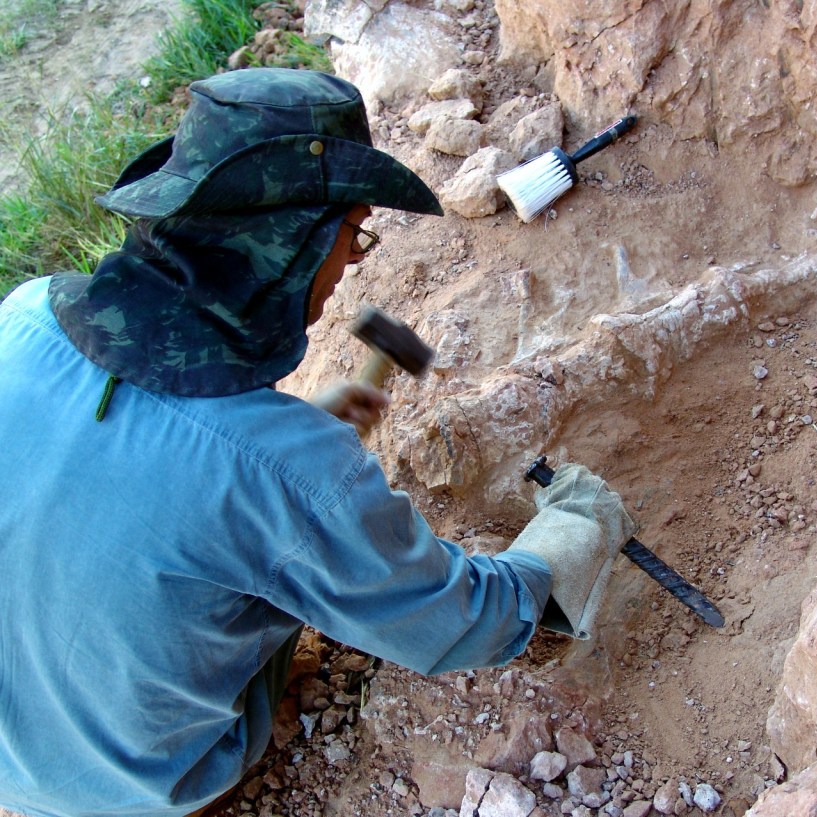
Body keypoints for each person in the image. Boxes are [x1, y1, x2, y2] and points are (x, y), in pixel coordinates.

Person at [0, 68, 635, 817]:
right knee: (290, 583)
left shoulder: (25, 314)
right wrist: (569, 537)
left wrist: (286, 444)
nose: (354, 261)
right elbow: (458, 621)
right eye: (354, 232)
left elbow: (146, 454)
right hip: (126, 789)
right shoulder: (288, 476)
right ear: (292, 247)